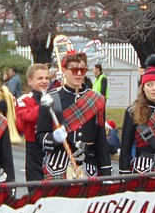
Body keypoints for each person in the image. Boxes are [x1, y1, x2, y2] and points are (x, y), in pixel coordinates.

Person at [36, 52, 111, 180]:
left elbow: (101, 138)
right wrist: (54, 138)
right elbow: (40, 136)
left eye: (83, 70)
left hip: (88, 165)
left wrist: (106, 171)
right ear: (64, 71)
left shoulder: (96, 99)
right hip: (58, 164)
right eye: (74, 70)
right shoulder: (51, 98)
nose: (79, 74)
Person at [16, 63, 50, 182]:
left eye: (47, 78)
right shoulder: (24, 100)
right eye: (40, 78)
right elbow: (27, 117)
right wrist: (43, 105)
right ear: (30, 81)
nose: (45, 81)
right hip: (34, 148)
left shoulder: (54, 96)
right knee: (36, 190)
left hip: (52, 146)